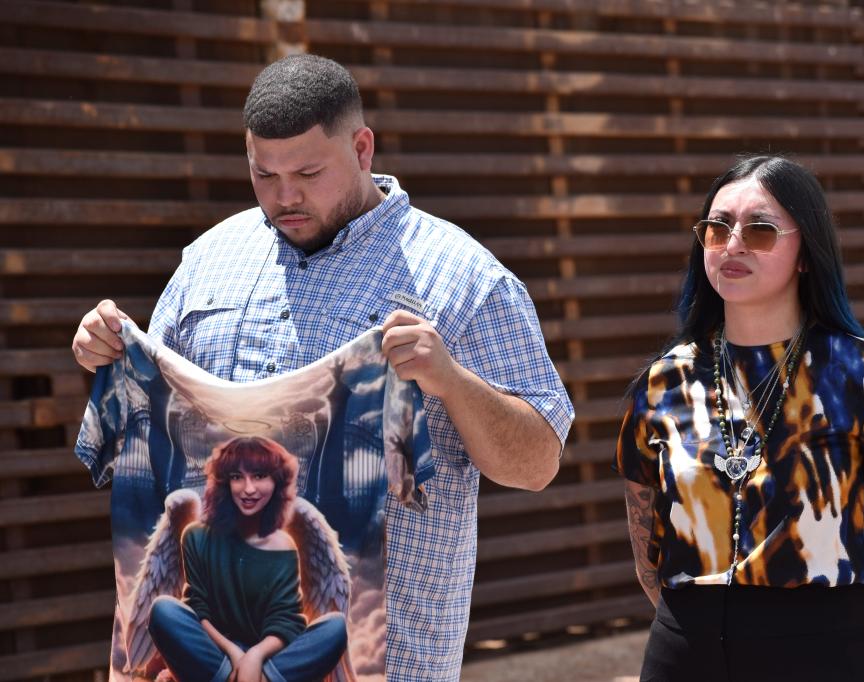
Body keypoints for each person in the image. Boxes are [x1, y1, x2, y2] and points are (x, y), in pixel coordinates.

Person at [71, 53, 574, 679]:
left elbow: (537, 462)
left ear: (362, 149)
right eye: (264, 176)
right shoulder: (208, 260)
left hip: (388, 659)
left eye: (309, 172)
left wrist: (448, 378)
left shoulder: (463, 276)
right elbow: (140, 431)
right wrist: (104, 355)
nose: (286, 198)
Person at [615, 156, 864, 682]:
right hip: (685, 652)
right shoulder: (663, 381)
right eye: (717, 228)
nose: (733, 243)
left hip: (821, 654)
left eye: (761, 230)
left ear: (807, 255)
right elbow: (648, 554)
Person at [148, 436, 348, 682]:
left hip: (267, 660)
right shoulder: (197, 537)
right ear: (225, 483)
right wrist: (234, 653)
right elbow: (197, 608)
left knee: (335, 627)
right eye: (236, 477)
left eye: (260, 476)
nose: (249, 488)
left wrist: (255, 655)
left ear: (277, 482)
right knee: (163, 610)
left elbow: (286, 621)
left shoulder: (284, 546)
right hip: (216, 654)